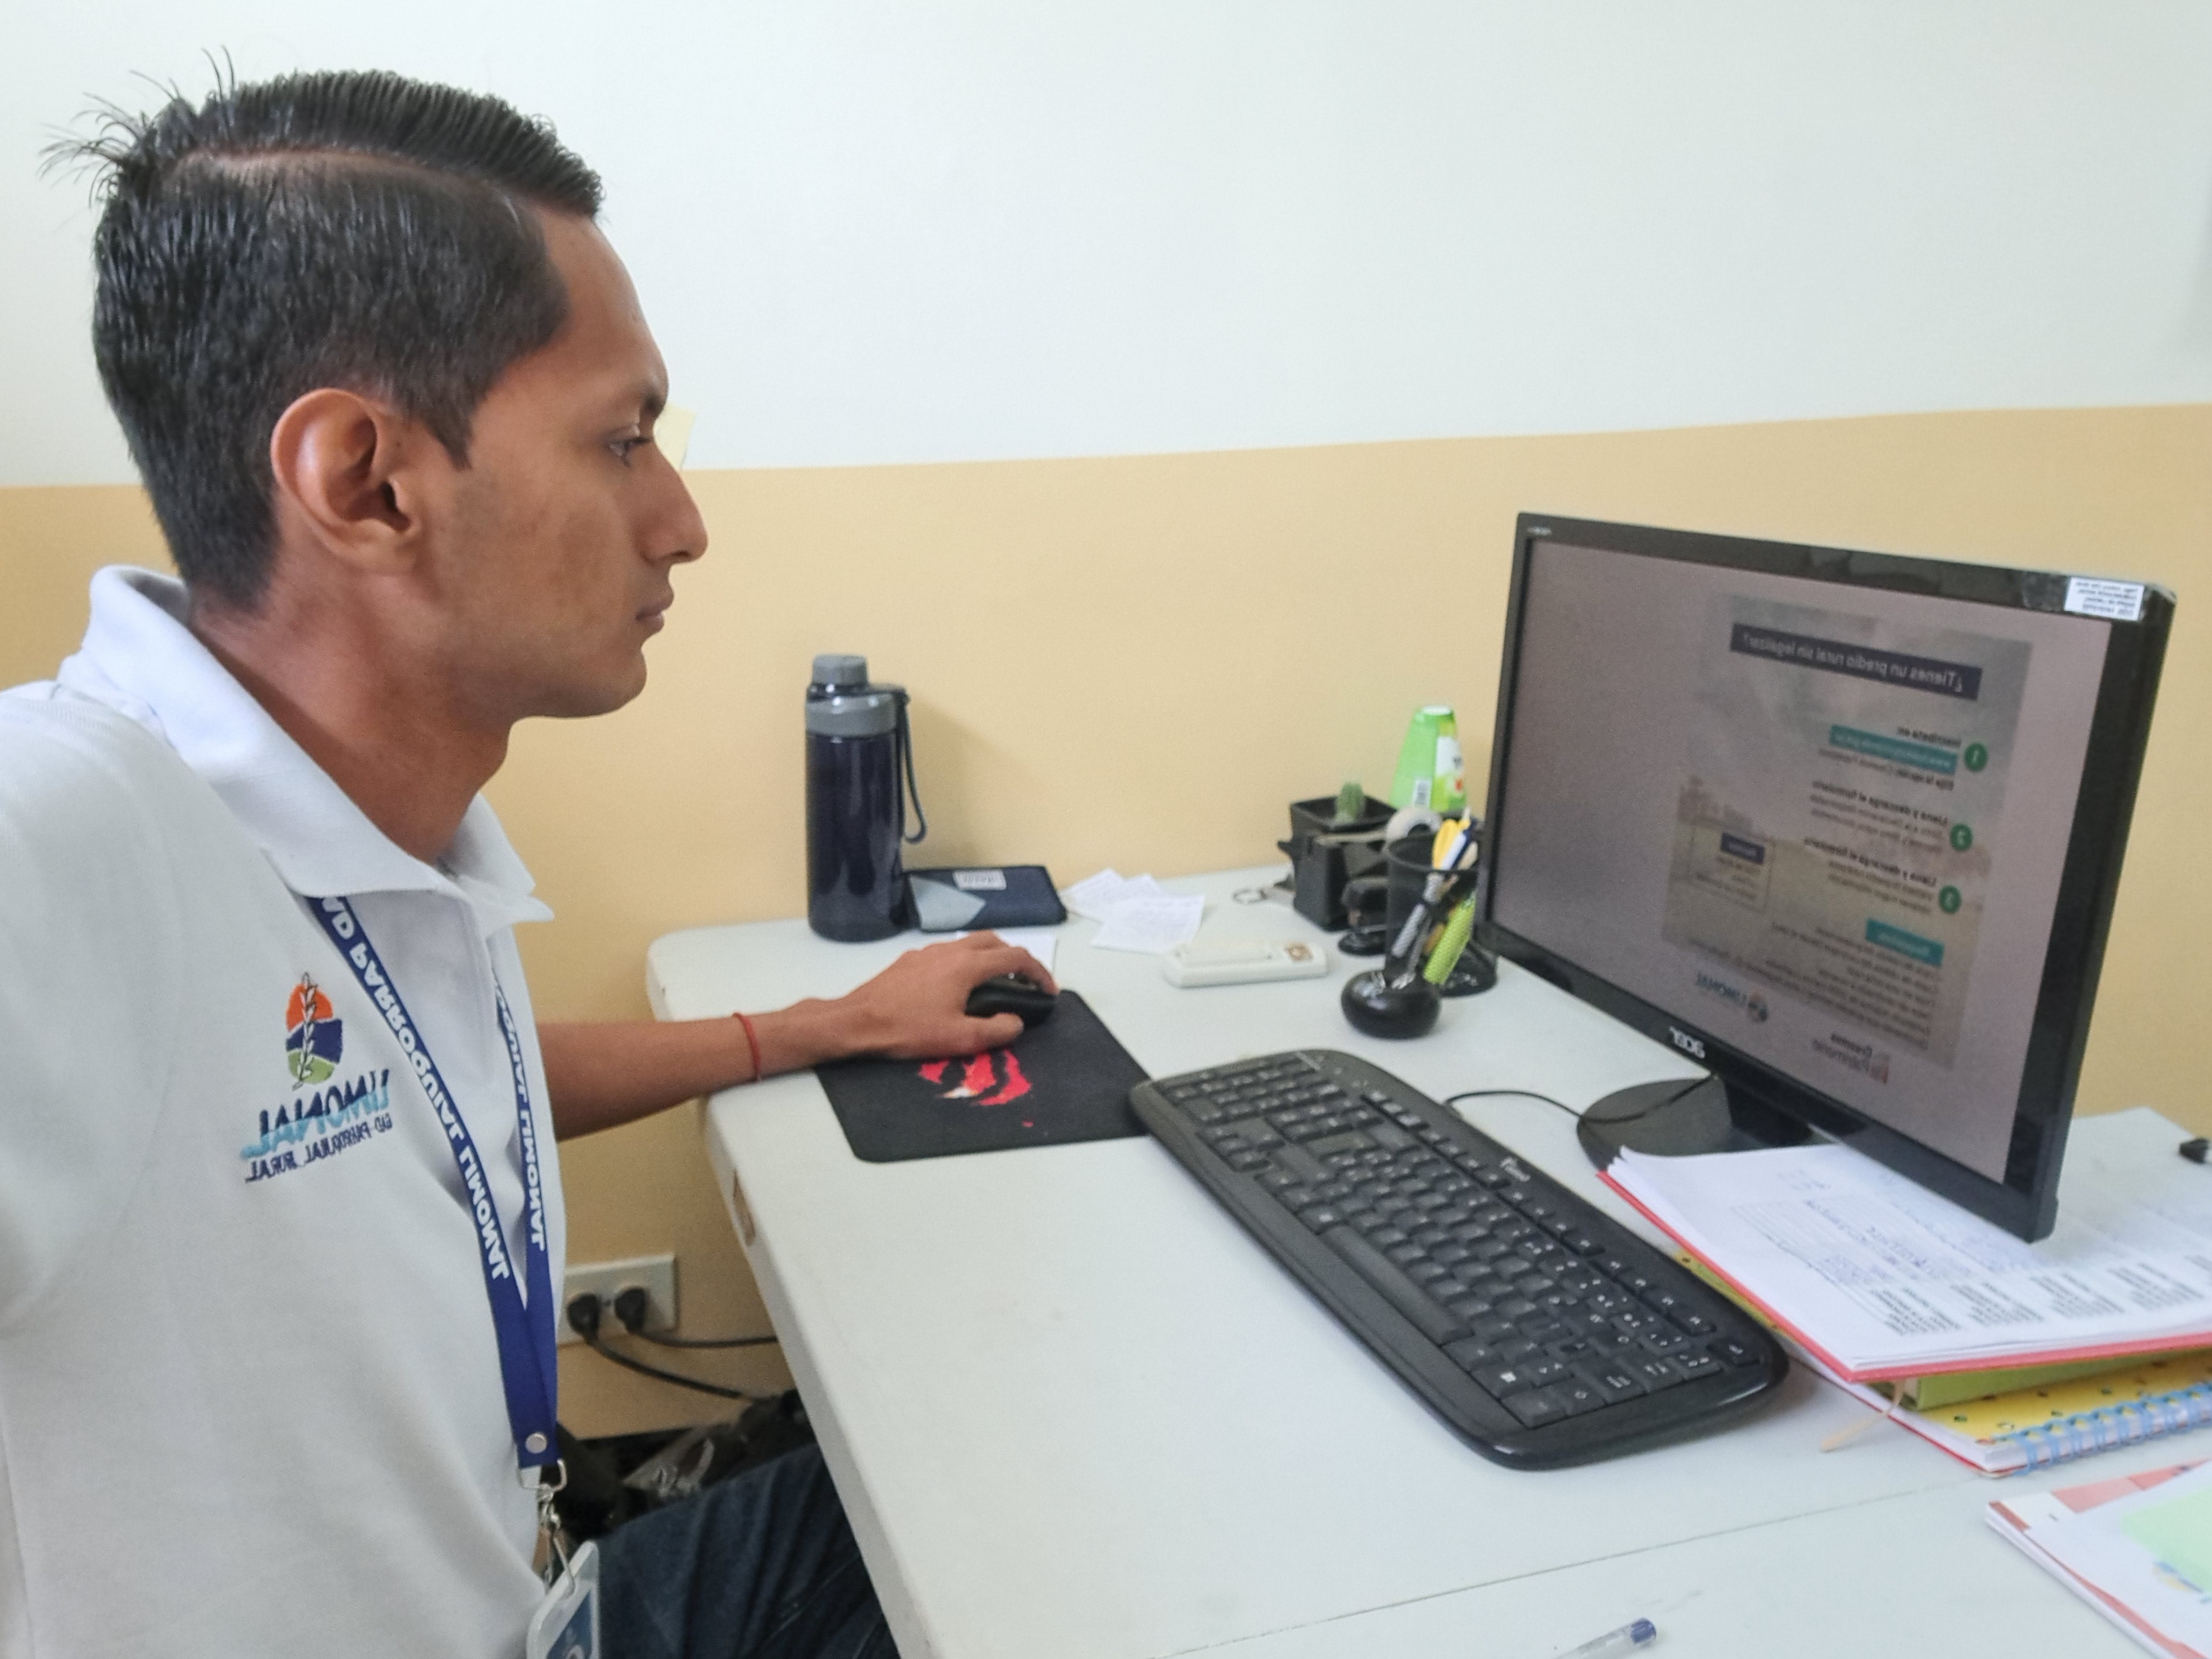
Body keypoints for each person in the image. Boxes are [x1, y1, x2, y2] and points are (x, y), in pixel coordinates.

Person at [0, 68, 1051, 1658]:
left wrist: (823, 1028)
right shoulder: (67, 835)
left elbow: (416, 1087)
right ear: (366, 484)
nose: (680, 522)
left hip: (533, 1603)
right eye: (622, 440)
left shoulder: (369, 822)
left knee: (959, 1462)